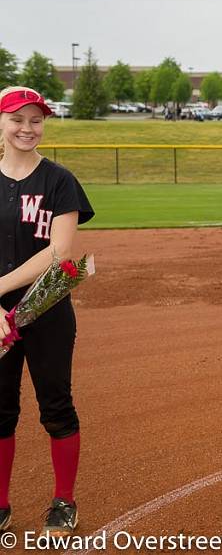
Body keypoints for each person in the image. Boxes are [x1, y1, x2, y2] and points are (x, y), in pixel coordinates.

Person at [0, 87, 94, 536]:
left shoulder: (59, 181)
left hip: (47, 310)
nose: (27, 128)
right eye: (18, 119)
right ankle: (0, 503)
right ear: (1, 123)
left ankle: (64, 500)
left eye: (36, 120)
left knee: (56, 405)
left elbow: (59, 253)